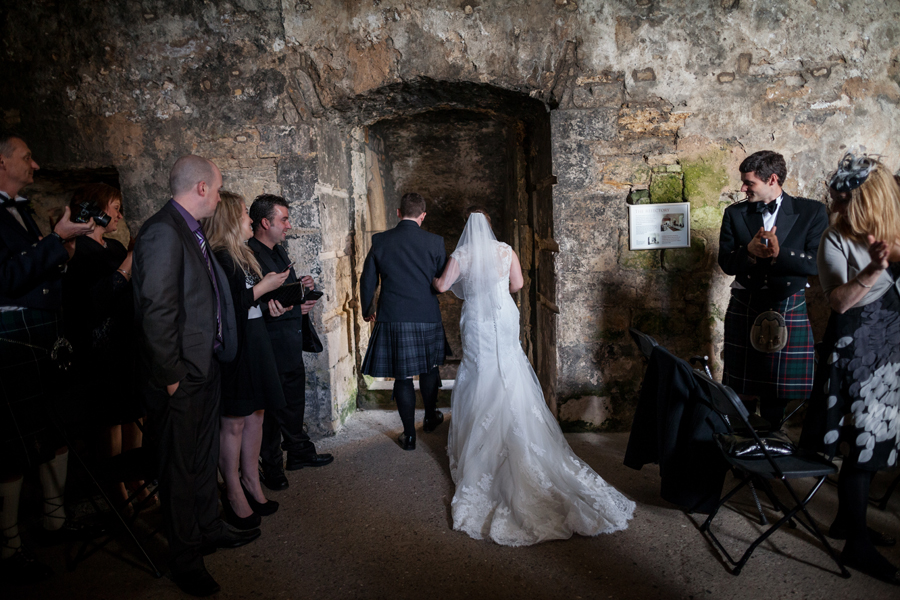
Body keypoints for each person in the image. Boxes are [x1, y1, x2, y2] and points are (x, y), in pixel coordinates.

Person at [432, 208, 635, 545]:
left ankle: (481, 446)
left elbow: (442, 286)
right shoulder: (506, 251)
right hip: (503, 316)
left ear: (468, 230)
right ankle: (520, 431)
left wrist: (444, 278)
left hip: (478, 323)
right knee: (510, 370)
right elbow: (518, 284)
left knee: (480, 373)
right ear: (491, 226)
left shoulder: (461, 254)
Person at [132, 155, 254, 597]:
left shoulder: (191, 230)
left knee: (202, 460)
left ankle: (209, 528)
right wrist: (172, 378)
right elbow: (157, 311)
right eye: (218, 188)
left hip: (205, 367)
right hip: (181, 376)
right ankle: (186, 559)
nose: (220, 196)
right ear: (201, 188)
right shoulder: (163, 232)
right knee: (179, 470)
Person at [0, 133, 97, 583]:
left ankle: (54, 520)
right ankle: (8, 545)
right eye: (26, 157)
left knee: (52, 424)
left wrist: (63, 247)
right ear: (1, 162)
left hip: (44, 331)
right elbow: (7, 277)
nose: (35, 165)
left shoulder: (23, 210)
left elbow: (36, 266)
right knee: (14, 443)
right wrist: (54, 240)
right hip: (14, 337)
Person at [800, 154, 900, 585]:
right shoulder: (833, 240)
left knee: (876, 441)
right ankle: (856, 546)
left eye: (844, 198)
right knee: (861, 446)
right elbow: (839, 303)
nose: (836, 204)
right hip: (857, 350)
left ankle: (846, 521)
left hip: (889, 347)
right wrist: (875, 268)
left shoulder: (891, 234)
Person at [718, 150, 828, 426]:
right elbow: (727, 263)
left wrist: (782, 254)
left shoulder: (811, 211)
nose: (743, 188)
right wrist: (749, 253)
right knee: (741, 389)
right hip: (745, 302)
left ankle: (773, 444)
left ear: (773, 179)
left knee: (775, 391)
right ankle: (743, 446)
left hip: (787, 303)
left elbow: (816, 263)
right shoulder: (735, 213)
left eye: (749, 183)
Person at [204, 191, 288, 528]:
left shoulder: (242, 253)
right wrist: (263, 288)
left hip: (256, 339)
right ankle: (234, 489)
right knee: (235, 420)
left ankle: (253, 481)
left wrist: (271, 299)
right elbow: (221, 308)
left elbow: (250, 303)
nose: (250, 219)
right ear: (228, 218)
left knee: (257, 413)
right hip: (237, 346)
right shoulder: (221, 256)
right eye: (243, 214)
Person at [62, 183, 146, 507]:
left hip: (127, 341)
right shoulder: (76, 251)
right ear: (95, 209)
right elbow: (95, 301)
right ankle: (115, 489)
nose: (119, 214)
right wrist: (130, 260)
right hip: (100, 348)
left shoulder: (111, 247)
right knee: (110, 418)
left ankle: (135, 476)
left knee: (134, 412)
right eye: (114, 207)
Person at [248, 194, 330, 491]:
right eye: (283, 219)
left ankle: (298, 452)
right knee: (271, 409)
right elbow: (253, 301)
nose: (288, 224)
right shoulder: (249, 255)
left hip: (291, 337)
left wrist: (302, 293)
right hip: (270, 342)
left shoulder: (280, 251)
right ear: (265, 222)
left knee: (294, 402)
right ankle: (272, 468)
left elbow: (284, 293)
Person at [359, 192, 449, 451]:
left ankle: (409, 435)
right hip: (426, 315)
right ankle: (431, 418)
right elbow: (442, 280)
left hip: (393, 316)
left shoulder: (381, 240)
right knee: (430, 368)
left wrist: (368, 308)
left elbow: (367, 280)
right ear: (423, 215)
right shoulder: (435, 242)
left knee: (402, 376)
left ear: (398, 213)